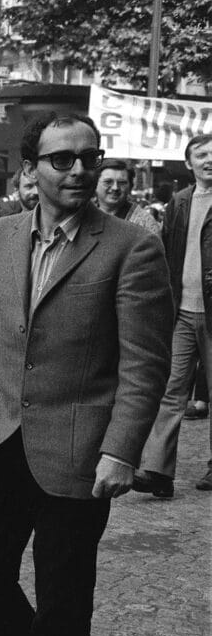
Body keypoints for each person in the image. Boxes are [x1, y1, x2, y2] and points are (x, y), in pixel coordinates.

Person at [0, 112, 173, 636]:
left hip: (79, 454)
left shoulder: (132, 246)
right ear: (30, 170)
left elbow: (144, 362)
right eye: (62, 159)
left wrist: (120, 450)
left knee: (64, 606)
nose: (79, 169)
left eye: (89, 157)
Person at [134, 133, 212, 496]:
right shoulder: (178, 202)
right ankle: (158, 471)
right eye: (201, 154)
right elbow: (166, 254)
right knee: (170, 390)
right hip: (181, 310)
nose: (209, 159)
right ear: (189, 163)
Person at [93, 159, 160, 235]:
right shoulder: (85, 216)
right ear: (95, 184)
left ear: (130, 187)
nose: (115, 188)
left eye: (122, 183)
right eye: (108, 182)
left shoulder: (145, 224)